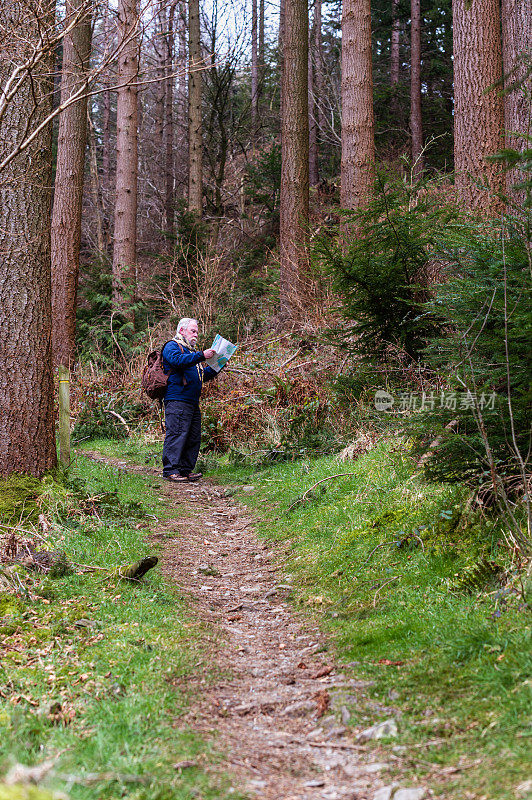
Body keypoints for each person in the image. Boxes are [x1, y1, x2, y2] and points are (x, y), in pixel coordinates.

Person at [161, 318, 218, 482]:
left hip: (192, 402)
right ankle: (171, 470)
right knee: (177, 434)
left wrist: (216, 367)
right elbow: (177, 361)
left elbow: (201, 376)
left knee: (193, 436)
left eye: (197, 332)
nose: (196, 335)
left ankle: (185, 470)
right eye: (193, 331)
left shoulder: (191, 353)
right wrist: (202, 355)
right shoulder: (172, 346)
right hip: (177, 399)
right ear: (181, 331)